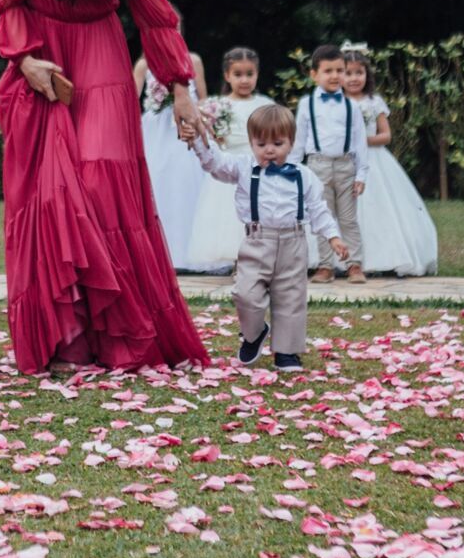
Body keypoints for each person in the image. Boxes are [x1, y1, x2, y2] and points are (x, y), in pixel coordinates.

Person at [0, 0, 210, 373]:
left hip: (102, 52)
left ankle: (119, 339)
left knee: (99, 183)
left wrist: (180, 88)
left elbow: (154, 12)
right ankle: (69, 343)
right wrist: (26, 59)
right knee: (56, 193)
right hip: (45, 56)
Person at [185, 103, 347, 372]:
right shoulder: (242, 168)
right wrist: (197, 141)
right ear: (251, 143)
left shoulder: (304, 176)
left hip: (293, 243)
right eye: (261, 144)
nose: (269, 150)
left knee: (291, 298)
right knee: (245, 293)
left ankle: (287, 352)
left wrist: (333, 236)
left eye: (277, 143)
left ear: (291, 143)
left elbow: (318, 209)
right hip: (256, 242)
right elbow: (214, 162)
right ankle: (254, 333)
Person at [342, 45, 438, 275]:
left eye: (359, 72)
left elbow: (386, 135)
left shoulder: (374, 102)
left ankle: (382, 258)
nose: (354, 78)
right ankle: (342, 259)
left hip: (374, 161)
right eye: (348, 73)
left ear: (367, 75)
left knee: (378, 208)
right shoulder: (336, 102)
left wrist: (363, 140)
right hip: (343, 163)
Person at [183, 46, 277, 274]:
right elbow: (207, 140)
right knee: (230, 216)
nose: (244, 80)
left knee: (259, 213)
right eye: (238, 74)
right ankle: (238, 261)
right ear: (227, 75)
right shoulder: (216, 106)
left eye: (249, 74)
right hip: (229, 165)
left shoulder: (265, 104)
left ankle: (261, 260)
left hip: (259, 165)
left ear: (257, 74)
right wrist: (216, 136)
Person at [291, 43, 370, 284]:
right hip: (317, 165)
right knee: (321, 217)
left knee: (348, 219)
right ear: (314, 74)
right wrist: (293, 169)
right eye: (328, 71)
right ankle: (325, 266)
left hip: (346, 166)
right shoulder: (306, 105)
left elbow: (359, 141)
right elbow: (299, 139)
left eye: (340, 70)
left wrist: (361, 174)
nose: (335, 76)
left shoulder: (352, 105)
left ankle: (354, 264)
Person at [132, 24, 208, 271]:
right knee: (157, 182)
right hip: (156, 131)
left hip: (185, 129)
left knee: (188, 184)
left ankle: (190, 253)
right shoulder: (144, 65)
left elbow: (203, 100)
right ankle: (156, 253)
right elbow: (131, 98)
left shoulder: (192, 60)